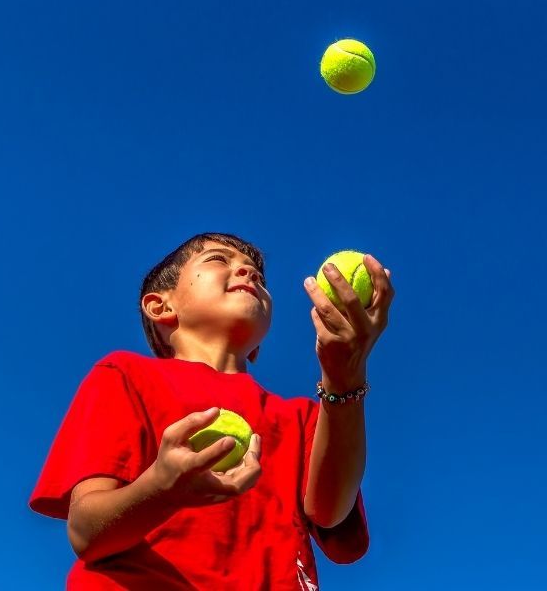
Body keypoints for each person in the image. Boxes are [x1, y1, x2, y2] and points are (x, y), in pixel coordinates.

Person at [28, 232, 395, 589]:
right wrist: (160, 489)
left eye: (259, 276)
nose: (249, 273)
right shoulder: (125, 375)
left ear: (257, 347)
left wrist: (344, 378)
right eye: (219, 260)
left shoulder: (306, 416)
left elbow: (329, 512)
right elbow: (85, 532)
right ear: (161, 307)